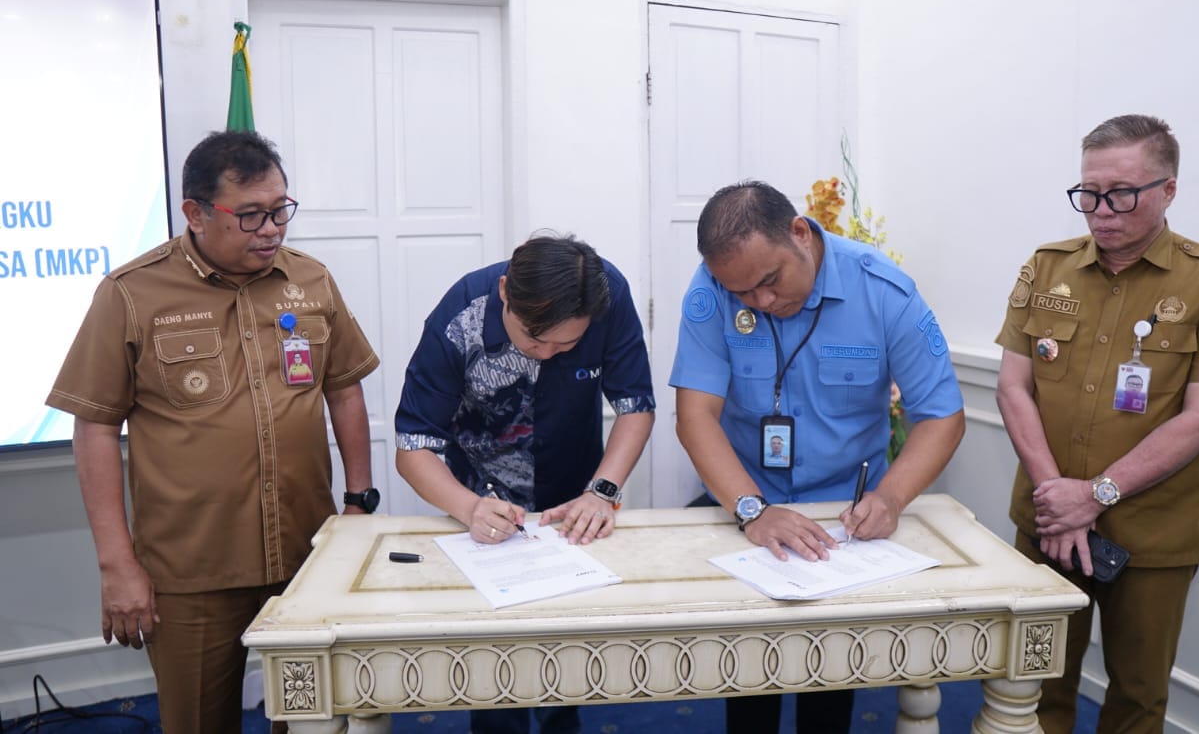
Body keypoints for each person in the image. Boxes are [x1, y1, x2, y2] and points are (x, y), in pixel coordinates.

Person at [45, 131, 380, 734]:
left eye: (280, 209)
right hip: (192, 569)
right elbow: (94, 425)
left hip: (306, 555)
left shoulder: (311, 280)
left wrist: (359, 501)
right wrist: (117, 565)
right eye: (250, 215)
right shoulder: (132, 293)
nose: (271, 229)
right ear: (196, 214)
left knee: (313, 722)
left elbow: (344, 387)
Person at [669, 180, 965, 734]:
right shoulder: (711, 291)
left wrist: (891, 498)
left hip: (844, 520)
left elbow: (942, 415)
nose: (760, 302)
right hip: (748, 509)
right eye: (742, 292)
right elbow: (695, 416)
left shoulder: (882, 290)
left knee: (829, 683)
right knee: (749, 678)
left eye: (769, 281)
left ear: (800, 233)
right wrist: (753, 511)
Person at [994, 114, 1199, 733]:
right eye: (1088, 193)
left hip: (1152, 535)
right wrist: (1058, 496)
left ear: (1168, 190)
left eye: (1121, 194)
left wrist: (1095, 495)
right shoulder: (1046, 267)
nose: (1101, 211)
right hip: (1048, 522)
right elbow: (1012, 386)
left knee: (1138, 698)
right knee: (1035, 686)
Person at [395, 233, 656, 734]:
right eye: (535, 340)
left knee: (567, 655)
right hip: (481, 499)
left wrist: (602, 491)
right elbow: (413, 447)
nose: (546, 353)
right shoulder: (461, 315)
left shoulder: (608, 296)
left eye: (567, 344)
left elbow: (635, 406)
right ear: (504, 294)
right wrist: (469, 507)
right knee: (495, 662)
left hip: (573, 497)